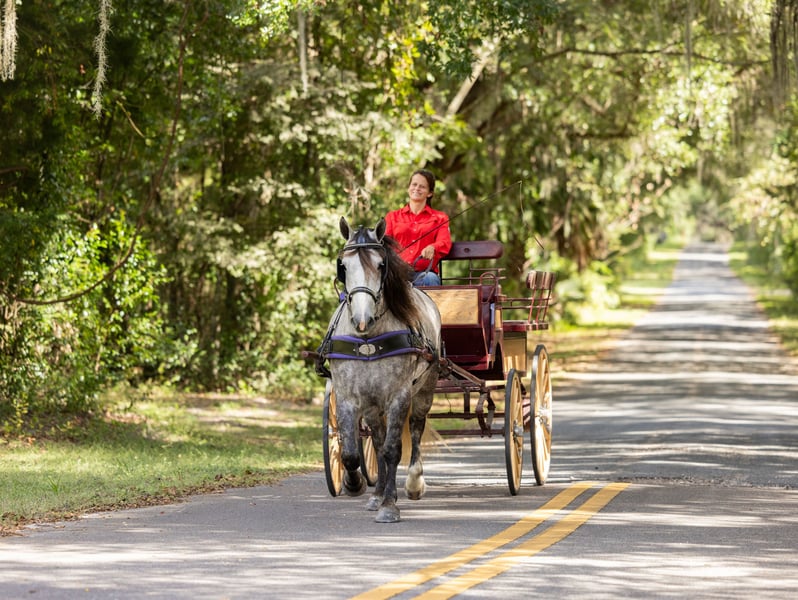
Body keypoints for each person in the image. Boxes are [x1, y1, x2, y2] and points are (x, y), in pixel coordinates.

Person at [385, 169, 452, 286]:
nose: (417, 188)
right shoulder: (392, 217)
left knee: (430, 279)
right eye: (414, 184)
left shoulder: (440, 218)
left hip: (423, 274)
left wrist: (433, 247)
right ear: (408, 188)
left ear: (429, 193)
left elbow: (445, 242)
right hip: (396, 274)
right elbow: (384, 244)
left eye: (422, 186)